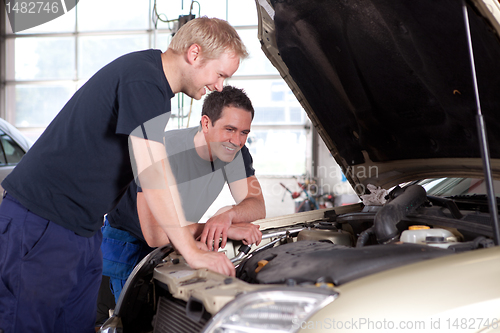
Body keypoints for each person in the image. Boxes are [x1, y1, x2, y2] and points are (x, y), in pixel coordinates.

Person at [0, 17, 247, 333]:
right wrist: (192, 252)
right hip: (42, 225)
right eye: (220, 74)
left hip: (83, 231)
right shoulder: (143, 79)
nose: (219, 86)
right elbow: (154, 174)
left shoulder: (153, 90)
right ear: (195, 54)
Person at [101, 85, 265, 303]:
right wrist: (220, 228)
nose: (237, 141)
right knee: (136, 320)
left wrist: (227, 216)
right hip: (130, 244)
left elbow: (257, 205)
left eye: (244, 132)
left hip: (178, 237)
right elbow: (155, 235)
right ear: (206, 123)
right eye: (229, 129)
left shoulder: (236, 153)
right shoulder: (165, 152)